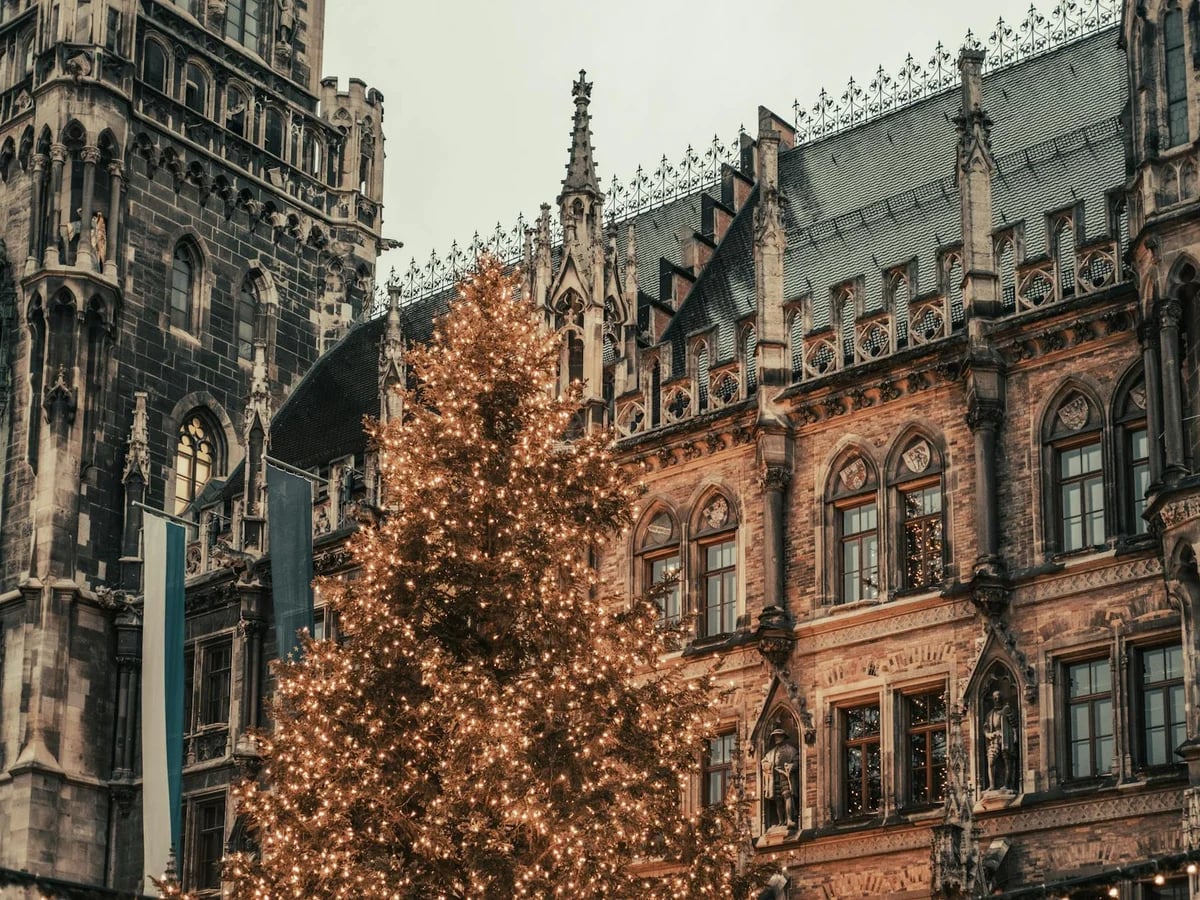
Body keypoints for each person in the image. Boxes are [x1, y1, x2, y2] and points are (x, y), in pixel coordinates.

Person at [761, 727, 799, 829]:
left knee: (787, 796)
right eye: (775, 736)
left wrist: (791, 766)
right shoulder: (771, 753)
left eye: (778, 736)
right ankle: (781, 821)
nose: (776, 738)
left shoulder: (791, 750)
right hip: (774, 777)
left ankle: (789, 819)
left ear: (783, 737)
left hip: (785, 776)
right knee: (778, 799)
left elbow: (796, 761)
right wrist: (768, 765)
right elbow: (763, 762)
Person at [984, 689, 1016, 792]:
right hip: (994, 739)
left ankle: (1007, 784)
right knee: (991, 761)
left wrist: (1013, 736)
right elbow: (985, 729)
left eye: (999, 697)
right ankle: (992, 785)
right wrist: (989, 735)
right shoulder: (990, 714)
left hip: (1005, 738)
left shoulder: (1006, 710)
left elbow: (1014, 724)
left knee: (1007, 760)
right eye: (995, 698)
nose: (997, 699)